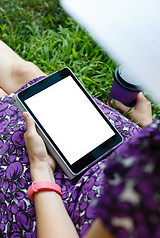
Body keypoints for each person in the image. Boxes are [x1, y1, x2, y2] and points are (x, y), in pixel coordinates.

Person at [0, 40, 155, 238]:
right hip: (113, 141)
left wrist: (40, 166)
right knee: (26, 73)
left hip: (59, 203)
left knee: (10, 123)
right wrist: (149, 129)